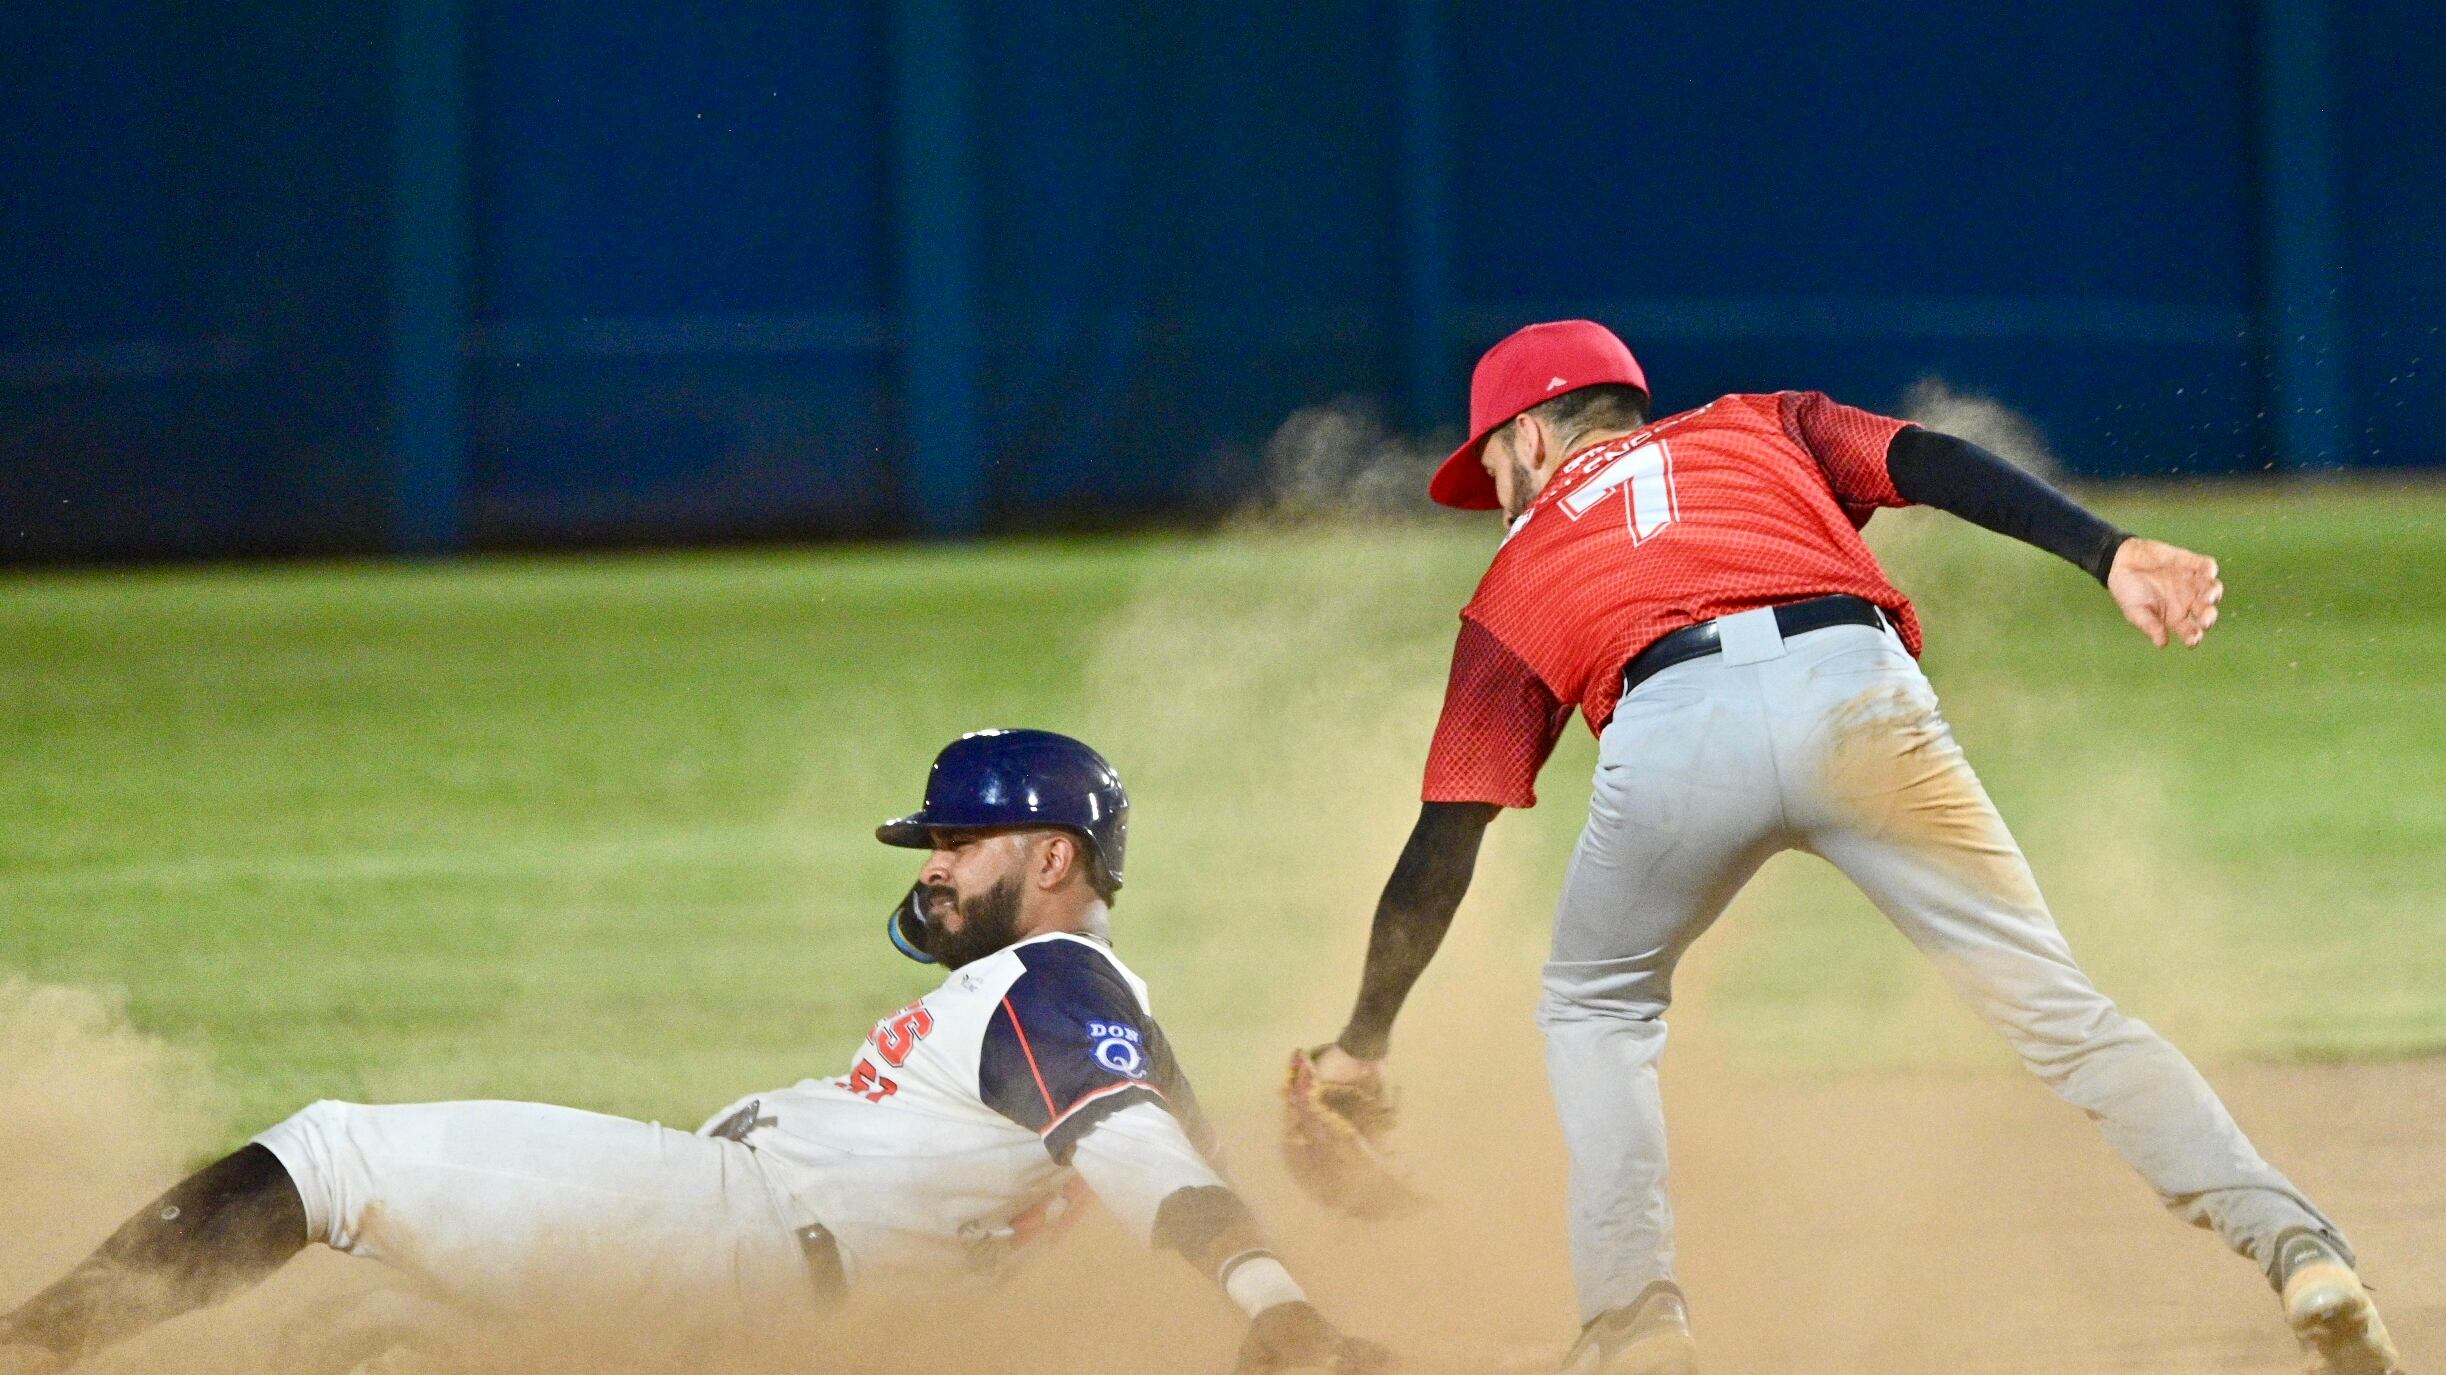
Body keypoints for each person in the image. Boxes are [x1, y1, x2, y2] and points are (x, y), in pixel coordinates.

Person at [1300, 321, 2404, 1375]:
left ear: (1530, 435)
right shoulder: (1757, 422)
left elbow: (1447, 834)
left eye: (1490, 461)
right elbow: (1929, 459)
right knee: (2067, 1016)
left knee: (1598, 1007)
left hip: (1669, 733)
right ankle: (2298, 1253)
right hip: (1858, 694)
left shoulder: (1513, 575)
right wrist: (2105, 552)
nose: (1493, 490)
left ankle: (1634, 1320)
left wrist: (1363, 1039)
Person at [0, 729, 1387, 1375]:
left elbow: (1138, 1156)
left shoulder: (1050, 971)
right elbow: (1160, 1152)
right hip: (769, 1305)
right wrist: (1314, 1231)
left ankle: (33, 1342)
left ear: (1052, 854)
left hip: (738, 1243)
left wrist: (1277, 1307)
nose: (938, 866)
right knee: (364, 1331)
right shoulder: (1097, 1014)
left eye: (958, 840)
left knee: (329, 1155)